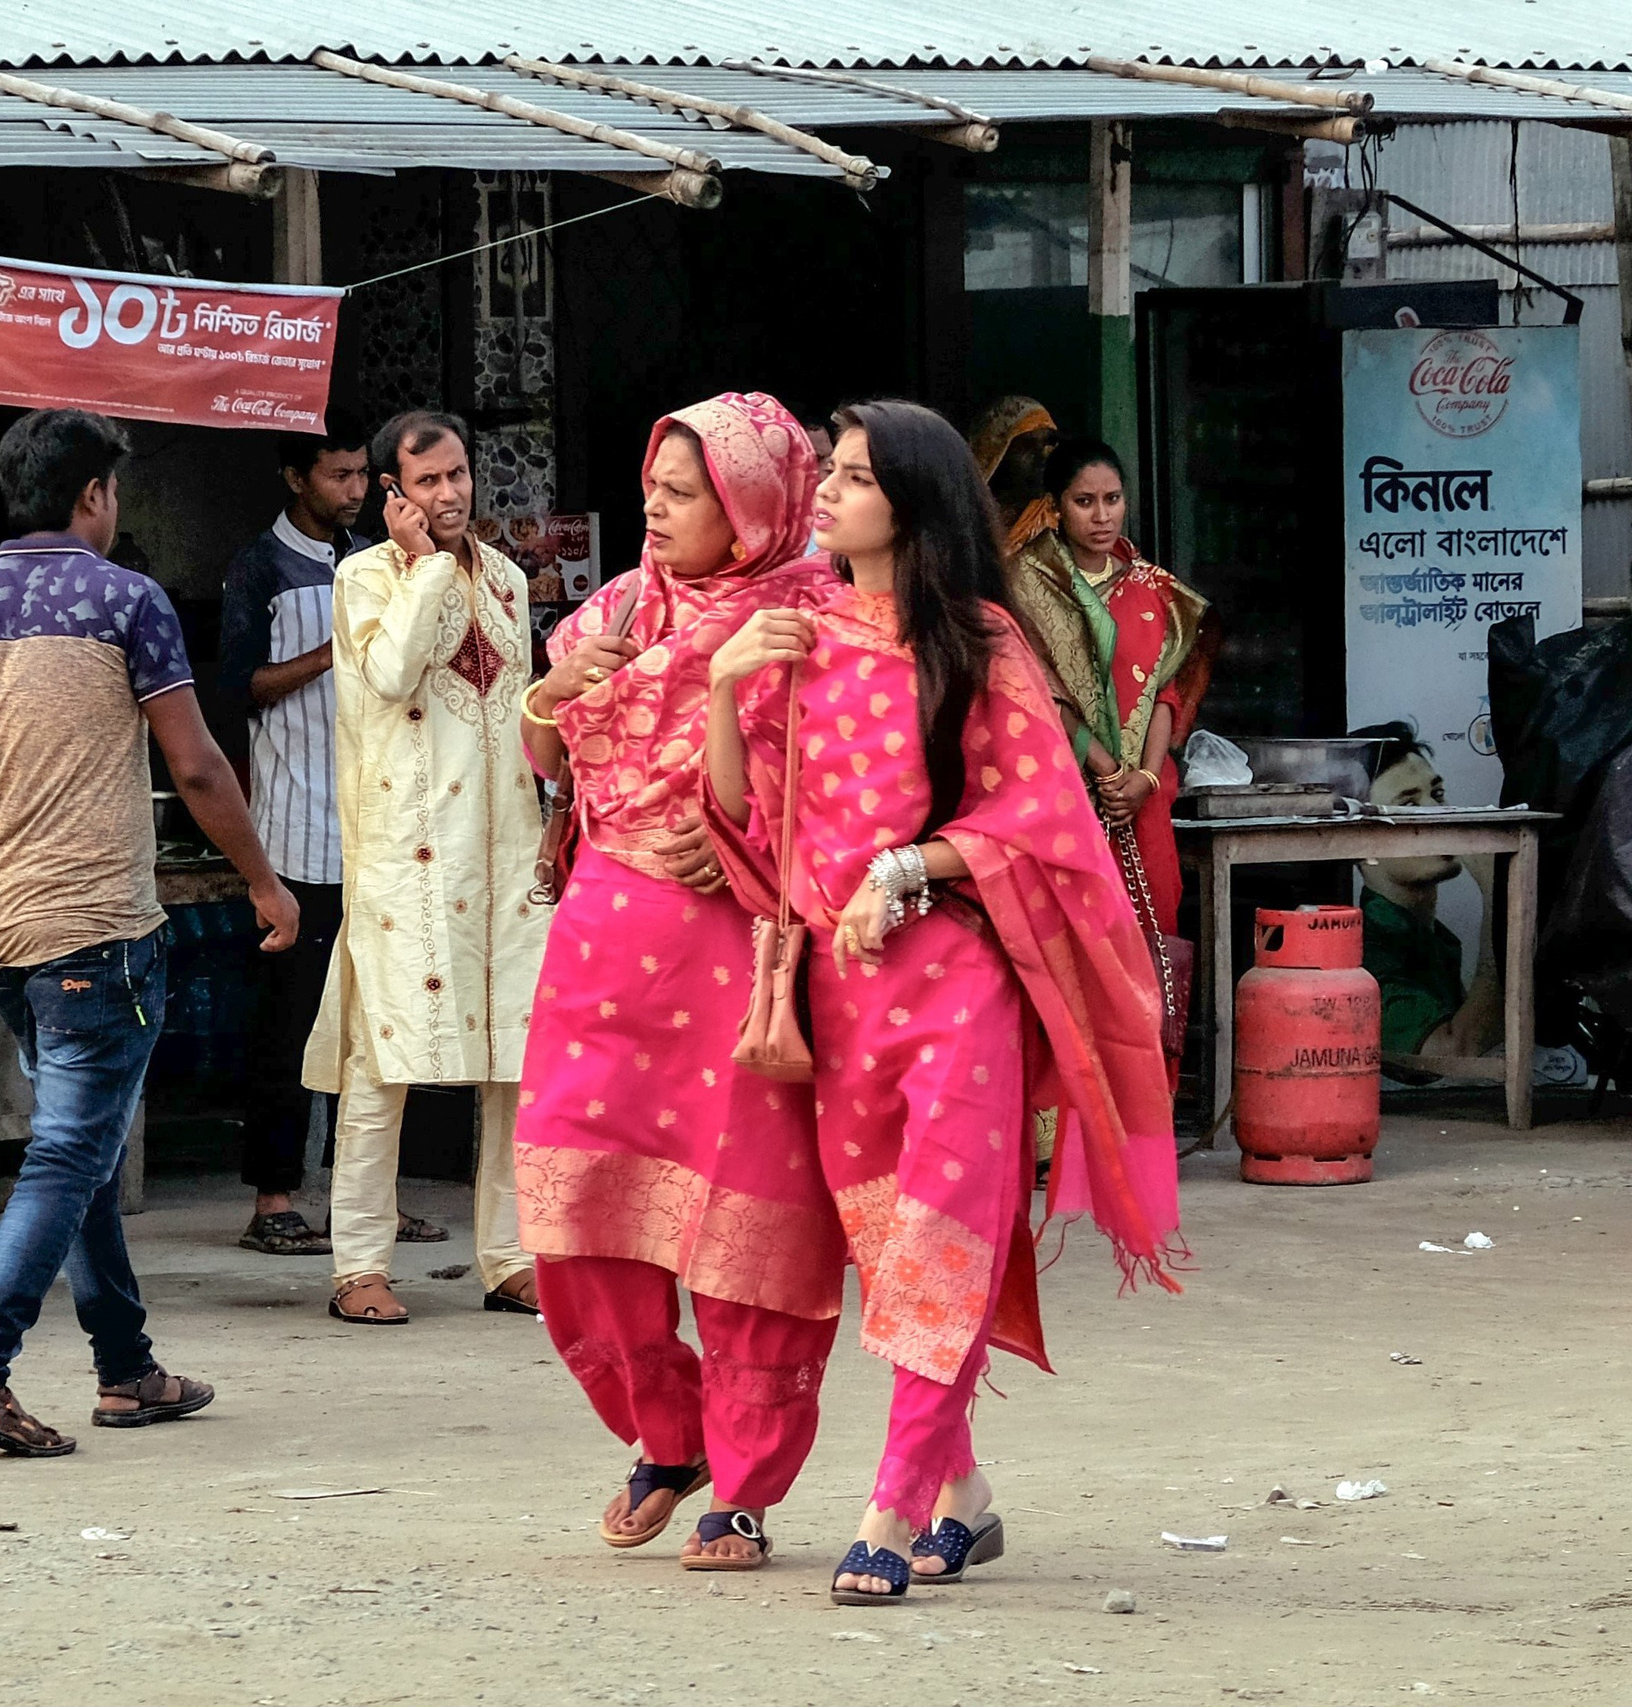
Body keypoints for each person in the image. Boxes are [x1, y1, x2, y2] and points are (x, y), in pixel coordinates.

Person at [703, 400, 1181, 1604]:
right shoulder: (796, 635)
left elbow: (1037, 818)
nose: (827, 492)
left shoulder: (977, 642)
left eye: (854, 476)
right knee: (892, 1251)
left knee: (941, 1239)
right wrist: (720, 688)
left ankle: (893, 1501)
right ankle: (963, 1495)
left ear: (910, 503)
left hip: (956, 980)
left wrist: (902, 865)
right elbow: (745, 820)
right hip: (839, 995)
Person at [0, 408, 300, 1457]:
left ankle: (126, 1370)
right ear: (94, 495)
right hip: (100, 929)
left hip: (7, 931)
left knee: (87, 1153)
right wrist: (263, 881)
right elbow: (195, 765)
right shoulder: (126, 602)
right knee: (70, 1152)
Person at [515, 393, 849, 1572]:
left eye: (680, 493)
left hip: (739, 961)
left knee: (743, 1225)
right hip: (604, 950)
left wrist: (746, 800)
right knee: (576, 1212)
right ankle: (668, 1433)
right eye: (651, 488)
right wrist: (558, 694)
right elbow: (550, 757)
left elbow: (844, 784)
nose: (652, 511)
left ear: (753, 507)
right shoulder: (613, 610)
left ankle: (746, 1485)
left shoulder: (823, 619)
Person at [304, 409, 548, 1323]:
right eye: (428, 482)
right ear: (392, 494)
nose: (449, 495)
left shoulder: (513, 583)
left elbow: (518, 714)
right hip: (404, 860)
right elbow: (398, 672)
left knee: (515, 1064)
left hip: (504, 850)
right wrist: (429, 565)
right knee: (382, 1064)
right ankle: (359, 1264)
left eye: (458, 476)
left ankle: (510, 1256)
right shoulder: (363, 577)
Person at [219, 418, 372, 1258]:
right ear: (295, 478)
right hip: (292, 830)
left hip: (373, 829)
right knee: (288, 1021)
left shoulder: (372, 558)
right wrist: (328, 655)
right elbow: (236, 689)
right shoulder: (259, 569)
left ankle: (361, 1198)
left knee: (372, 1024)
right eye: (339, 474)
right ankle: (272, 1196)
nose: (354, 489)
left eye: (360, 473)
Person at [1005, 439, 1210, 960]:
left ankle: (1156, 1046)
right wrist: (1106, 771)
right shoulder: (1023, 585)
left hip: (1143, 798)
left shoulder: (1151, 588)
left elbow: (1167, 689)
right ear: (1054, 507)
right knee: (1074, 945)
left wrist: (1143, 777)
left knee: (1154, 940)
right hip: (1064, 794)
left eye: (1113, 499)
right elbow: (1034, 689)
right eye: (1084, 502)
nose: (1102, 516)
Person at [1350, 722, 1503, 1063]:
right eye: (1408, 806)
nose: (1438, 814)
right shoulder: (1361, 956)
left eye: (1436, 795)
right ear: (1356, 843)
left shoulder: (1428, 936)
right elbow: (1455, 1054)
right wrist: (1502, 898)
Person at [966, 396, 1061, 558]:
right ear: (995, 454)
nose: (1043, 456)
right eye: (1027, 446)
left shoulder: (1059, 524)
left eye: (1048, 444)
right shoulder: (961, 524)